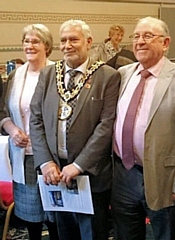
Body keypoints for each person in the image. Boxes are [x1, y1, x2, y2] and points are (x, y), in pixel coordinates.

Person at [29, 19, 120, 240]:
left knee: (92, 233)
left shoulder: (107, 76)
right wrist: (45, 161)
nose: (67, 45)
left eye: (73, 39)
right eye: (63, 40)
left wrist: (79, 165)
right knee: (63, 233)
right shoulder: (49, 74)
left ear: (88, 42)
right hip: (55, 173)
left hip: (90, 174)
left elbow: (106, 125)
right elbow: (36, 119)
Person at [112, 16, 175, 240]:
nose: (140, 41)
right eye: (137, 36)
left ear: (166, 42)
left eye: (148, 36)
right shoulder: (123, 74)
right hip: (124, 175)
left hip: (166, 178)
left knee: (166, 235)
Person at [0, 24, 59, 240]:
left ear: (47, 46)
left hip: (52, 156)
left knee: (55, 215)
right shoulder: (16, 74)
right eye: (26, 41)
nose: (29, 45)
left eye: (35, 41)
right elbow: (3, 110)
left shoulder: (57, 73)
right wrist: (12, 128)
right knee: (31, 216)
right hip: (23, 156)